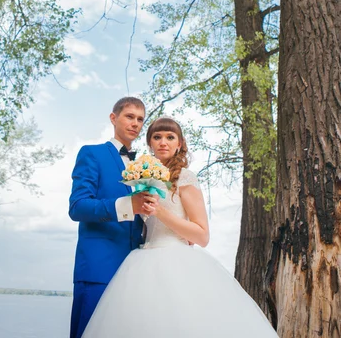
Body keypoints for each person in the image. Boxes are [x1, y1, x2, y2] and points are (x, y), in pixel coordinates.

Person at [82, 117, 279, 338]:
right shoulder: (143, 179)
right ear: (150, 144)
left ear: (180, 144)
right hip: (141, 261)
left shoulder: (185, 178)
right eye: (157, 137)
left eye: (170, 137)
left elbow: (202, 235)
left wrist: (160, 211)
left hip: (176, 261)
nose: (163, 142)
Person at [68, 97, 158, 338]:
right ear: (113, 118)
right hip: (98, 269)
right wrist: (128, 205)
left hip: (134, 272)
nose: (136, 124)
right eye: (129, 116)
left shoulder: (144, 167)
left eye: (140, 119)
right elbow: (77, 207)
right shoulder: (91, 154)